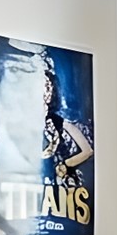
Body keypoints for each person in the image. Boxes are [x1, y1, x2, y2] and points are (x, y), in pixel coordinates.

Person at [39, 59, 92, 190]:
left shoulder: (59, 122)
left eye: (48, 87)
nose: (46, 93)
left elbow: (88, 151)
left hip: (59, 190)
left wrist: (65, 165)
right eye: (42, 87)